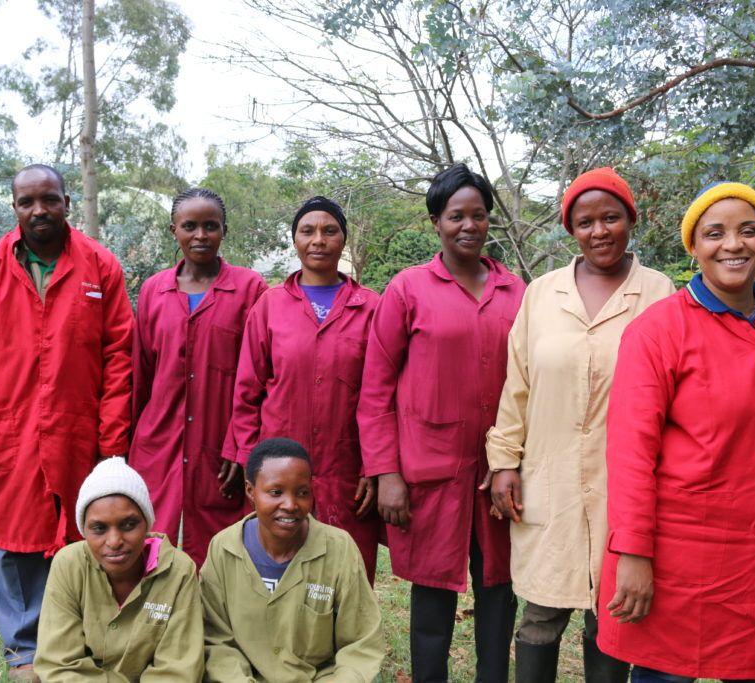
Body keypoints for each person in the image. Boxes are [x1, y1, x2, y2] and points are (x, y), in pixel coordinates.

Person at [598, 182, 755, 681]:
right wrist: (632, 553)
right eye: (715, 233)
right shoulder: (658, 331)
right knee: (666, 670)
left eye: (747, 231)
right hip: (682, 559)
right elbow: (630, 453)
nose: (733, 245)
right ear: (694, 246)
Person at [0, 164, 133, 678]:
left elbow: (119, 358)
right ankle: (23, 647)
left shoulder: (99, 267)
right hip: (5, 426)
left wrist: (112, 442)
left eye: (49, 199)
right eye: (27, 201)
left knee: (79, 534)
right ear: (14, 207)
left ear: (66, 202)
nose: (39, 209)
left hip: (76, 427)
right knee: (12, 537)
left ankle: (75, 635)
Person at [486, 167, 675, 682]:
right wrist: (503, 460)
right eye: (585, 221)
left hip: (628, 488)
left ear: (630, 220)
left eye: (610, 218)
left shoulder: (660, 294)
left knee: (613, 616)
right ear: (570, 228)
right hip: (551, 480)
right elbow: (517, 383)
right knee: (541, 616)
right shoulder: (542, 294)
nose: (599, 232)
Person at [357, 163, 526, 682]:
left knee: (499, 596)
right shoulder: (408, 290)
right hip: (430, 477)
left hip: (499, 476)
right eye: (457, 216)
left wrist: (515, 462)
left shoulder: (516, 292)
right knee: (431, 604)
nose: (469, 226)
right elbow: (376, 388)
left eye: (479, 215)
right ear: (436, 222)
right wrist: (386, 471)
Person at [224, 196, 380, 582]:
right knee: (277, 566)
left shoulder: (372, 307)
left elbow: (382, 394)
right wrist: (251, 462)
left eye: (330, 231)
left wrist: (375, 465)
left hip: (346, 467)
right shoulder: (270, 305)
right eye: (307, 231)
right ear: (294, 240)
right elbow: (247, 390)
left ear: (343, 240)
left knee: (346, 570)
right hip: (280, 467)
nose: (318, 240)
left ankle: (346, 642)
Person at [129, 187, 267, 567]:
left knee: (222, 550)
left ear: (224, 230)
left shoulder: (250, 289)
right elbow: (140, 375)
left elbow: (259, 375)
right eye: (190, 226)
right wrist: (129, 446)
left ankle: (215, 625)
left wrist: (242, 446)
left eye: (211, 226)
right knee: (152, 543)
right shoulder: (154, 290)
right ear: (173, 229)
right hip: (159, 443)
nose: (200, 236)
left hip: (221, 445)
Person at [200, 437, 384, 682]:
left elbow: (361, 644)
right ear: (250, 491)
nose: (290, 505)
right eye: (276, 492)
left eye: (302, 493)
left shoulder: (339, 549)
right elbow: (215, 639)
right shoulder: (224, 548)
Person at [34, 457, 204, 681]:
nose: (114, 541)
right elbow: (59, 663)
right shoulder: (68, 565)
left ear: (147, 524)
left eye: (128, 525)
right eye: (99, 528)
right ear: (83, 530)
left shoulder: (179, 571)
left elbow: (178, 670)